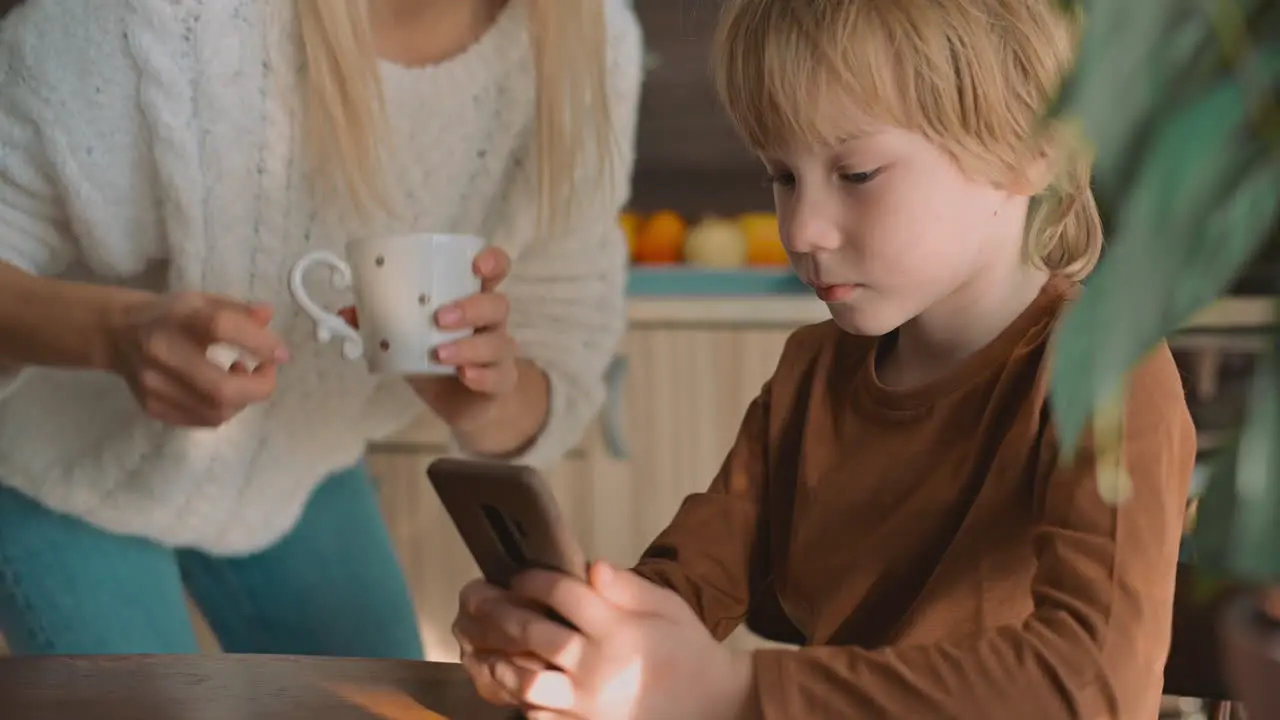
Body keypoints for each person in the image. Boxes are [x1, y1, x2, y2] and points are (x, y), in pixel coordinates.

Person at [451, 0, 1196, 717]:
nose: (801, 228)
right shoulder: (812, 372)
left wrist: (734, 695)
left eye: (857, 174)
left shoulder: (1108, 369)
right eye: (781, 176)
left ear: (1034, 152)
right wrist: (574, 640)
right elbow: (687, 583)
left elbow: (1092, 691)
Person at [0, 0, 641, 658]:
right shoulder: (161, 18)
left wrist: (490, 396)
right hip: (50, 465)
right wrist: (113, 334)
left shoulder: (588, 40)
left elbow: (564, 359)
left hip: (298, 465)